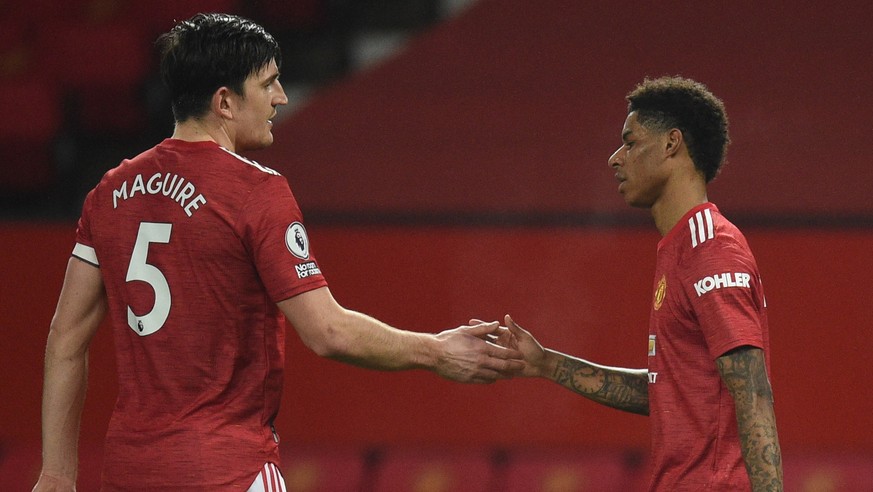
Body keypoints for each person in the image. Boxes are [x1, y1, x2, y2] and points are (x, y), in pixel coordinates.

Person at [32, 13, 522, 491]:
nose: (281, 98)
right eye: (267, 84)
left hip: (130, 472)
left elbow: (66, 336)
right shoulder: (254, 190)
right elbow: (328, 331)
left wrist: (56, 473)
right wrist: (435, 351)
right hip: (227, 469)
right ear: (224, 101)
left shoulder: (110, 191)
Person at [495, 76, 783, 490]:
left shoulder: (710, 246)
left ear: (671, 144)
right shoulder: (678, 248)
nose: (615, 158)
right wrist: (546, 363)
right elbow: (668, 391)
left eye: (630, 142)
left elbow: (753, 390)